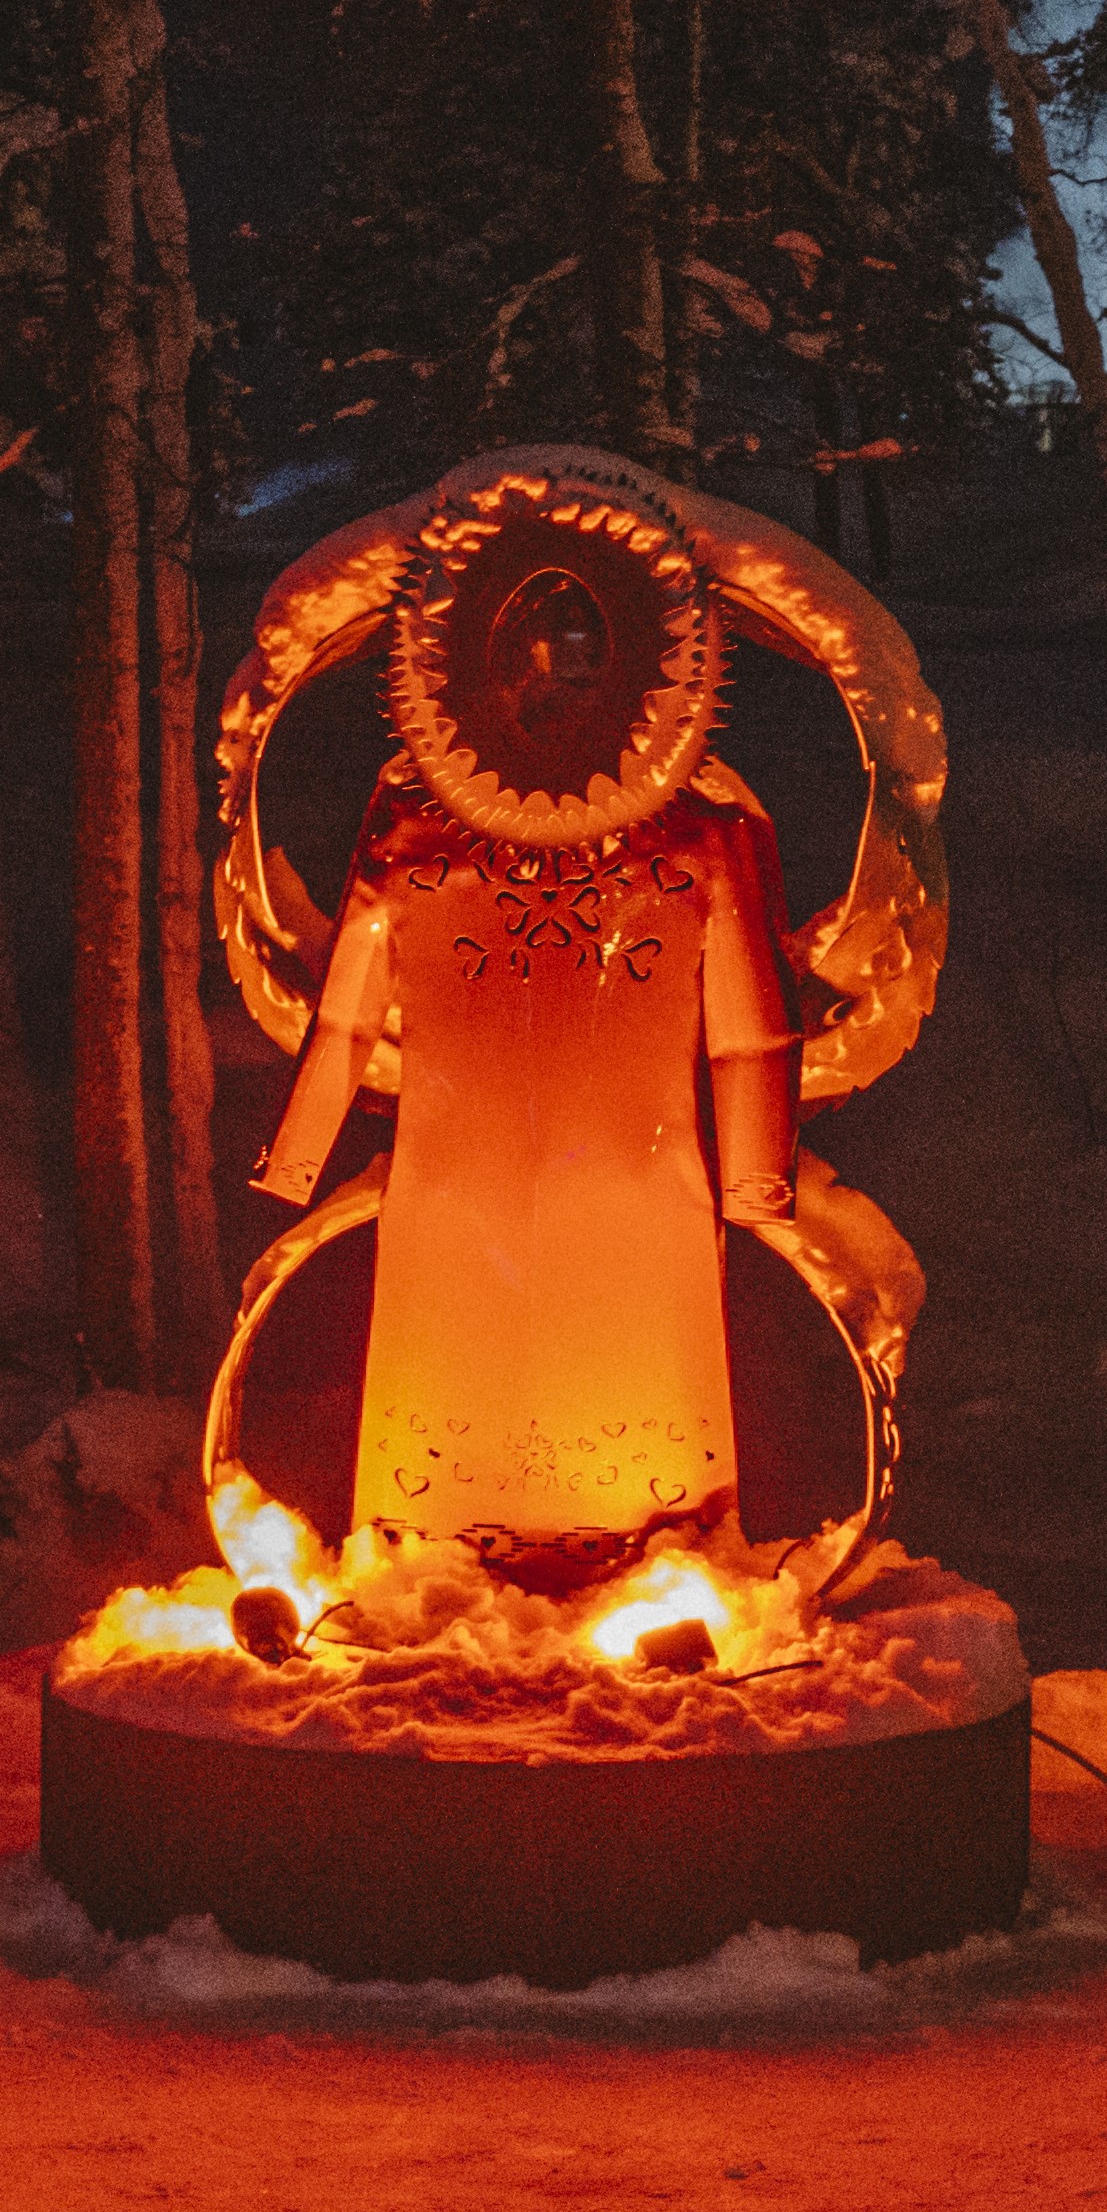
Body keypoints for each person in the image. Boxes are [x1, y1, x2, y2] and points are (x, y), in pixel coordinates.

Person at [247, 481, 790, 1589]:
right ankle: (431, 1581)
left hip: (639, 1184)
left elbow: (750, 1030)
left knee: (632, 1401)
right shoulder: (410, 818)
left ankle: (647, 1572)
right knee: (454, 1381)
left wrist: (758, 1178)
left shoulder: (702, 829)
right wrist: (296, 1152)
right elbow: (348, 1008)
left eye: (585, 648)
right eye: (530, 648)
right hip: (455, 1178)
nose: (554, 677)